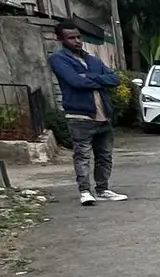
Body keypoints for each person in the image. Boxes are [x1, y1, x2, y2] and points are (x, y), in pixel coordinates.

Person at [47, 21, 128, 205]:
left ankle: (103, 189)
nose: (76, 41)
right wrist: (99, 80)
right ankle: (85, 191)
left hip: (103, 115)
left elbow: (114, 79)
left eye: (78, 37)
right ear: (60, 39)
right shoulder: (58, 59)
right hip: (80, 116)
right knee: (82, 155)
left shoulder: (92, 60)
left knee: (104, 156)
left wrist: (90, 77)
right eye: (71, 38)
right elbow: (75, 82)